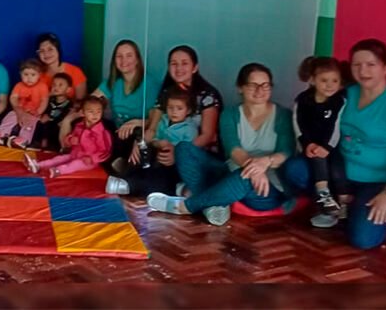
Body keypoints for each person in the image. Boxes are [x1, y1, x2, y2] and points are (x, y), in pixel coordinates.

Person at [283, 39, 386, 248]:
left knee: (363, 240)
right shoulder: (344, 94)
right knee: (295, 169)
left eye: (371, 64)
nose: (363, 71)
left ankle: (381, 211)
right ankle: (336, 207)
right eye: (357, 65)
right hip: (340, 172)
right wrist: (310, 143)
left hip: (380, 181)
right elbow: (318, 117)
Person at [147, 63, 294, 226]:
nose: (260, 90)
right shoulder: (230, 114)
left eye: (265, 85)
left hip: (265, 187)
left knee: (244, 178)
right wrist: (253, 168)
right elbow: (233, 149)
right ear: (240, 88)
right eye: (253, 85)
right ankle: (213, 205)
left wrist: (263, 164)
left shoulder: (282, 115)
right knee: (183, 148)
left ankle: (185, 206)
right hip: (230, 172)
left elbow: (286, 151)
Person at [143, 45, 223, 168]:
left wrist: (178, 154)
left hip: (199, 153)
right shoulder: (166, 93)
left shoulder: (207, 95)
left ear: (194, 67)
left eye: (184, 63)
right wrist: (142, 143)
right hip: (165, 150)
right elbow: (153, 128)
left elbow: (207, 136)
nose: (179, 68)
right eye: (174, 64)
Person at [107, 87, 197, 196]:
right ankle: (127, 172)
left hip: (172, 163)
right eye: (170, 108)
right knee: (141, 152)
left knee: (158, 178)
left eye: (179, 108)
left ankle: (128, 184)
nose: (174, 112)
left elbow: (189, 152)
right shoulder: (163, 120)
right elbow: (153, 137)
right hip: (154, 154)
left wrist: (172, 148)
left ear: (188, 110)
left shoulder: (190, 129)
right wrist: (152, 143)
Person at [292, 56, 348, 222]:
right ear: (312, 80)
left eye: (334, 81)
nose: (330, 85)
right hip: (310, 145)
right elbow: (298, 123)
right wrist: (307, 144)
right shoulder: (303, 100)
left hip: (331, 145)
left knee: (338, 169)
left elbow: (336, 126)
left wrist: (328, 147)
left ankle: (344, 203)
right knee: (317, 160)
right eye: (324, 80)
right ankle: (324, 196)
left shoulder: (339, 101)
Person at [92, 40, 161, 169]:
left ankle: (122, 166)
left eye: (129, 55)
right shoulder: (113, 82)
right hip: (118, 132)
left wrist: (137, 122)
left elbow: (156, 120)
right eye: (119, 56)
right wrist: (69, 120)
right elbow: (90, 103)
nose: (124, 60)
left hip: (140, 133)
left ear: (137, 59)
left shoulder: (150, 84)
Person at [25, 97, 111, 177]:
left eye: (98, 112)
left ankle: (57, 171)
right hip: (74, 154)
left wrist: (92, 158)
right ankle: (38, 165)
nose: (95, 115)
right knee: (59, 159)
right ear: (82, 112)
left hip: (88, 161)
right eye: (91, 111)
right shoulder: (79, 126)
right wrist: (70, 140)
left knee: (75, 164)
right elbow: (69, 138)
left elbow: (105, 151)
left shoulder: (101, 132)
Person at [0, 59, 48, 148]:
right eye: (26, 74)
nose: (29, 78)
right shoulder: (19, 85)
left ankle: (23, 139)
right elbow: (13, 97)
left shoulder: (42, 86)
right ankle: (1, 134)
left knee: (30, 123)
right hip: (19, 110)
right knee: (10, 116)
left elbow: (44, 100)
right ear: (20, 74)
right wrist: (17, 107)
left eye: (33, 75)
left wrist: (38, 112)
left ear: (39, 75)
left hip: (33, 113)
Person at [35, 33, 87, 101]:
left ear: (58, 50)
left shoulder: (75, 71)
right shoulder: (35, 74)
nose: (46, 53)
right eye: (41, 51)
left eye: (50, 49)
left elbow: (81, 101)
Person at [33, 73, 74, 151]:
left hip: (57, 124)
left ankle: (51, 146)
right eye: (54, 85)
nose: (56, 87)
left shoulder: (69, 103)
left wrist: (55, 120)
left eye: (60, 85)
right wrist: (45, 115)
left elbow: (65, 114)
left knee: (53, 126)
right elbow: (44, 108)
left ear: (68, 89)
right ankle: (37, 143)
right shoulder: (50, 100)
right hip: (46, 122)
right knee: (39, 123)